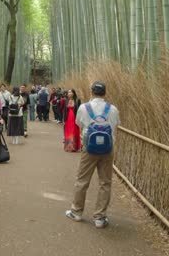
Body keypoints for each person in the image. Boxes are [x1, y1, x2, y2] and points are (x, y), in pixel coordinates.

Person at [65, 81, 120, 229]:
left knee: (82, 180)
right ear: (105, 93)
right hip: (108, 150)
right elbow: (115, 126)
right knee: (105, 183)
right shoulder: (113, 109)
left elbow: (80, 124)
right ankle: (100, 218)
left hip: (89, 149)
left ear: (92, 92)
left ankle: (76, 212)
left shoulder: (84, 107)